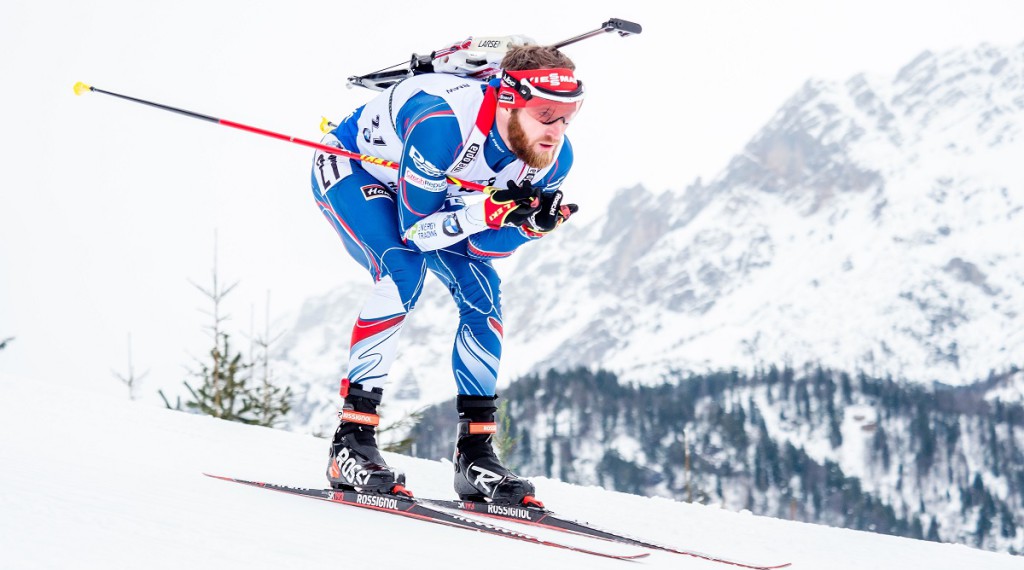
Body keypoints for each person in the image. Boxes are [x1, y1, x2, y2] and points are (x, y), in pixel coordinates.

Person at [309, 41, 583, 506]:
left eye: (569, 115)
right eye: (545, 113)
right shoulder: (441, 121)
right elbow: (418, 233)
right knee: (402, 269)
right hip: (359, 169)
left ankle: (475, 453)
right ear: (509, 99)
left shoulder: (553, 156)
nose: (556, 130)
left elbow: (479, 247)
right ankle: (350, 442)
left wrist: (525, 228)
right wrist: (487, 213)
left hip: (439, 193)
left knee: (484, 295)